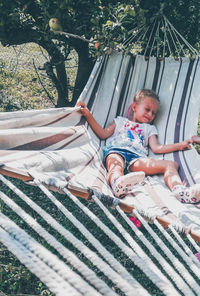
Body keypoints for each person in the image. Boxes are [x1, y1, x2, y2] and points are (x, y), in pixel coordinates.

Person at [77, 89, 200, 203]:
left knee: (171, 164)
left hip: (137, 158)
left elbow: (157, 148)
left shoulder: (149, 128)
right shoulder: (120, 121)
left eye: (154, 113)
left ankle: (180, 192)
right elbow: (103, 134)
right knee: (116, 167)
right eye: (147, 109)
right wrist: (88, 115)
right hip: (116, 151)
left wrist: (180, 145)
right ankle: (117, 184)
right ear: (134, 107)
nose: (150, 114)